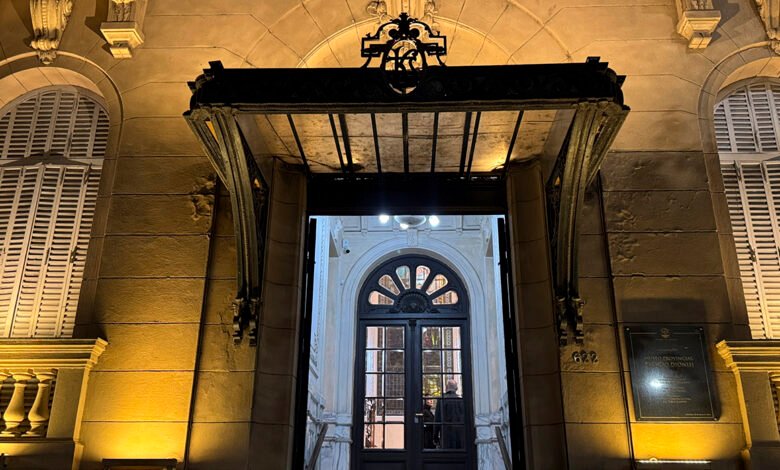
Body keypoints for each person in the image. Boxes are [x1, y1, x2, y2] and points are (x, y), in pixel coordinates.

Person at [433, 378, 465, 449]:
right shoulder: (461, 401)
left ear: (446, 387)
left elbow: (437, 420)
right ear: (456, 388)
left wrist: (435, 437)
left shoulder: (441, 400)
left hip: (445, 435)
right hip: (459, 436)